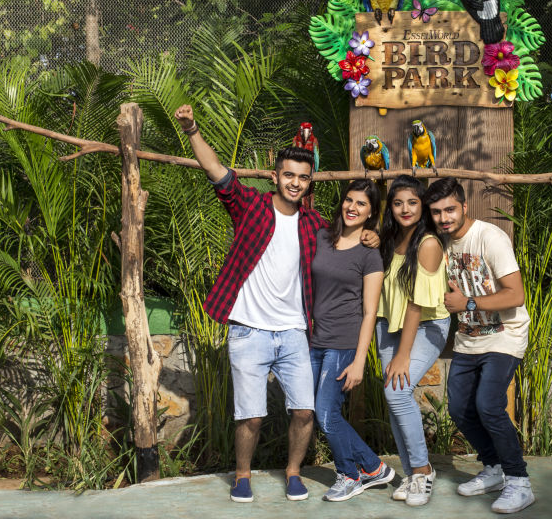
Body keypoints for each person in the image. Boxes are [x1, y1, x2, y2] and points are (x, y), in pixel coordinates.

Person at [172, 105, 377, 504]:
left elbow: (349, 235)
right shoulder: (249, 205)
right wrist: (192, 129)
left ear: (308, 181)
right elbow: (216, 169)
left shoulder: (315, 224)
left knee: (305, 411)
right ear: (275, 176)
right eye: (289, 175)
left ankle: (294, 472)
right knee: (250, 416)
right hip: (248, 331)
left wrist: (371, 236)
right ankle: (242, 475)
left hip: (295, 333)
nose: (295, 183)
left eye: (303, 177)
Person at [425, 177, 535, 514]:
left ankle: (519, 481)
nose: (444, 218)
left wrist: (468, 304)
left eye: (449, 210)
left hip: (505, 334)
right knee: (459, 408)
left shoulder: (490, 237)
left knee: (488, 405)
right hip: (469, 339)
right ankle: (494, 467)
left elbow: (516, 295)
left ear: (464, 207)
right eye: (437, 212)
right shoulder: (441, 243)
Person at [309, 179, 395, 501]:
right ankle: (372, 467)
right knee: (321, 411)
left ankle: (350, 475)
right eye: (349, 200)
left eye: (361, 204)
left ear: (371, 213)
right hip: (316, 340)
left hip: (344, 343)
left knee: (327, 413)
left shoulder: (370, 254)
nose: (352, 207)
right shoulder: (322, 237)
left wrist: (360, 360)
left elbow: (370, 311)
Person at [376, 176, 450, 506]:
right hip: (388, 324)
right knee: (394, 396)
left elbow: (416, 305)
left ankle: (423, 470)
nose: (405, 209)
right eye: (398, 202)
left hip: (425, 326)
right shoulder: (389, 238)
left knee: (396, 388)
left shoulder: (428, 244)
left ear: (422, 205)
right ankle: (411, 473)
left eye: (412, 202)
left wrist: (404, 354)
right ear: (390, 207)